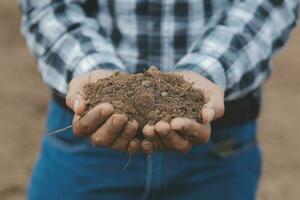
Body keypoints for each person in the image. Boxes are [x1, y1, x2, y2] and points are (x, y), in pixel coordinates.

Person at [19, 0, 298, 199]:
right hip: (87, 132)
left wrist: (203, 73)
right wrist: (95, 75)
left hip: (219, 140)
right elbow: (48, 5)